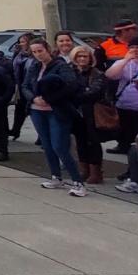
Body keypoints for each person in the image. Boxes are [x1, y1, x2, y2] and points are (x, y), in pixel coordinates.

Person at [27, 39, 87, 196]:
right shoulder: (34, 67)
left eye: (40, 51)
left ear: (48, 49)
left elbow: (71, 86)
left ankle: (78, 182)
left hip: (56, 110)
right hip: (37, 110)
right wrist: (33, 98)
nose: (38, 54)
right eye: (34, 52)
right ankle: (56, 177)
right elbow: (25, 85)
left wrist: (49, 99)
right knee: (47, 145)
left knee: (59, 146)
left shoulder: (61, 66)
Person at [70, 44, 108, 184]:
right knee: (80, 142)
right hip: (76, 113)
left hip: (92, 113)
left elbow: (94, 92)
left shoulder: (97, 74)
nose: (82, 59)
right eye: (79, 56)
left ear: (90, 58)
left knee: (93, 142)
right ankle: (83, 170)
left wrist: (76, 94)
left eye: (85, 56)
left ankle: (96, 172)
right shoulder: (71, 72)